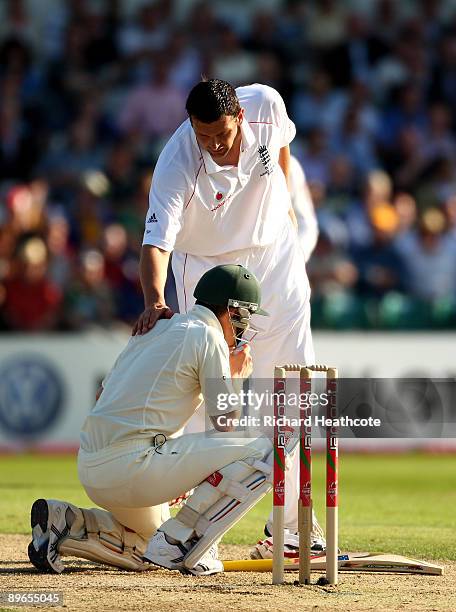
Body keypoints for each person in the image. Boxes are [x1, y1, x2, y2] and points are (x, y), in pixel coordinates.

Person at [133, 78, 325, 558]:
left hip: (274, 257)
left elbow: (279, 151)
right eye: (204, 136)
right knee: (208, 398)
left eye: (222, 134)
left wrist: (284, 212)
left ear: (239, 114)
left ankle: (294, 528)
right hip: (210, 273)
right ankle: (189, 527)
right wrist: (155, 299)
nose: (215, 146)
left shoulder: (265, 102)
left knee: (293, 386)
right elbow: (155, 245)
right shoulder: (177, 162)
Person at [28, 265, 279, 576]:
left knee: (147, 543)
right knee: (265, 447)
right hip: (135, 467)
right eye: (246, 316)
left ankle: (67, 521)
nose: (246, 327)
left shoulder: (153, 329)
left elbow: (102, 395)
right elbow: (226, 423)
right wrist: (237, 377)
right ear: (233, 311)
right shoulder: (209, 336)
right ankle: (188, 541)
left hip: (92, 466)